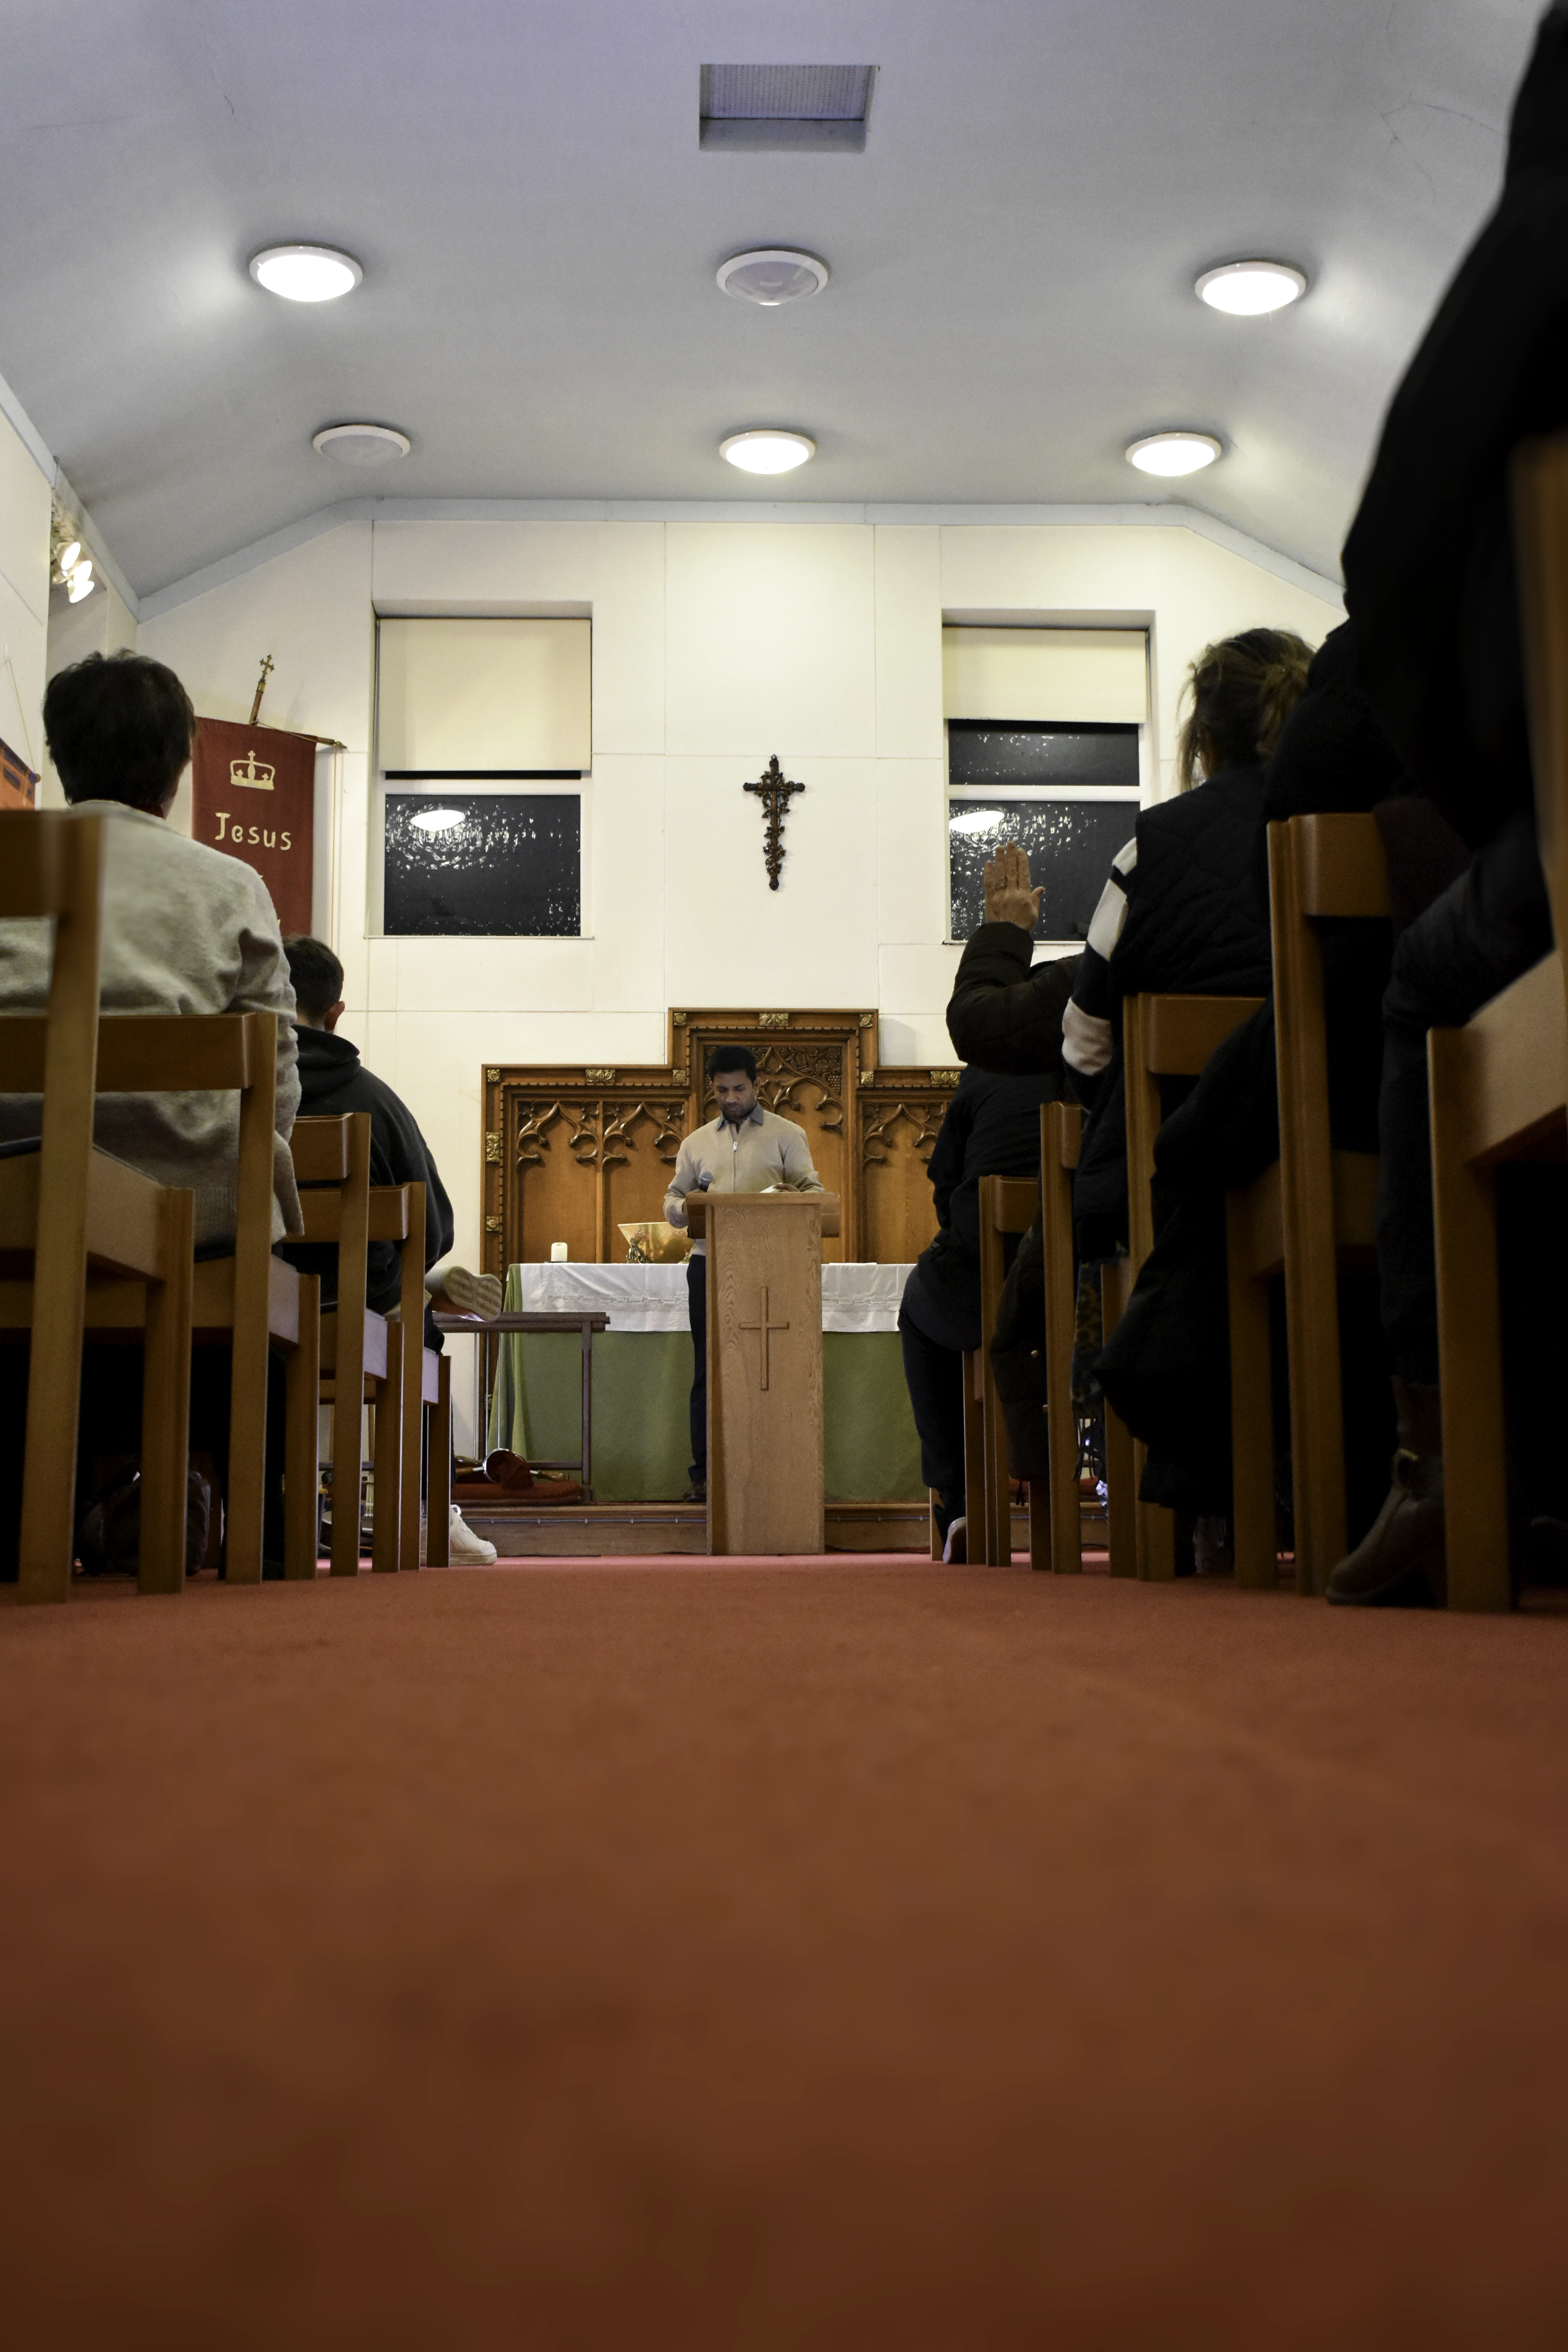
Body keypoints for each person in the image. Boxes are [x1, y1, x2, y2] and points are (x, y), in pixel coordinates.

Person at [1328, 0, 1568, 1605]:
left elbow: (1396, 556)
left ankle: (1452, 1457)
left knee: (1429, 985)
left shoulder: (1545, 234)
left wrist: (1506, 794)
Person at [0, 649, 302, 1574]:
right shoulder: (228, 883)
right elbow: (275, 1077)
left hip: (10, 1192)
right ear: (180, 766)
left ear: (59, 757)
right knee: (247, 1192)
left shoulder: (11, 862)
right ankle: (245, 1517)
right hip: (187, 1208)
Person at [280, 934, 503, 1566]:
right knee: (417, 1319)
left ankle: (226, 1501)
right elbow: (435, 1229)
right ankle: (431, 1513)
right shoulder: (377, 1101)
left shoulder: (231, 1089)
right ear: (335, 1013)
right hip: (357, 1314)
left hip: (248, 1305)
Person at [898, 1065, 1063, 1561]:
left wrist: (964, 1234)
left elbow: (944, 1176)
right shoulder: (1098, 1056)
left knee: (919, 1310)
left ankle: (960, 1503)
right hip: (1087, 1291)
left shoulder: (988, 1068)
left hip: (981, 1284)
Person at [662, 1045, 823, 1503]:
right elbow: (672, 1200)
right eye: (722, 1091)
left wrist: (793, 1196)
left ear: (756, 1085)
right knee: (708, 1369)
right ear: (712, 1090)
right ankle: (704, 1475)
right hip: (709, 1262)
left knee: (769, 1368)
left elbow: (813, 1192)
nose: (731, 1099)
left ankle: (775, 1466)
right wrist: (687, 1207)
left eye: (739, 1089)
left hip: (771, 1263)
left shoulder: (787, 1134)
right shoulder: (696, 1144)